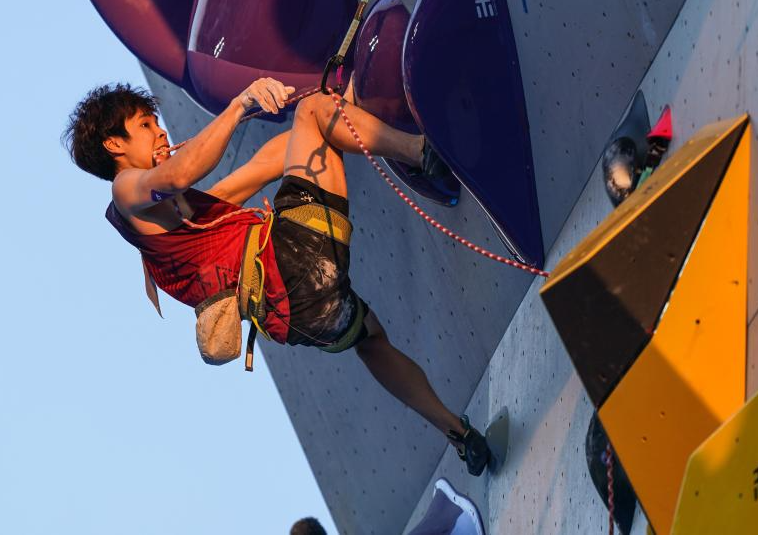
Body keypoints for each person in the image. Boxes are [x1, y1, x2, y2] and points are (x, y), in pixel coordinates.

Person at [63, 77, 490, 476]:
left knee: (371, 341)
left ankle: (458, 433)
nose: (160, 132)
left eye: (157, 122)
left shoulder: (178, 221)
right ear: (114, 144)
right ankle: (424, 152)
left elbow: (264, 164)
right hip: (292, 262)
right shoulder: (126, 190)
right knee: (313, 111)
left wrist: (343, 106)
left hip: (302, 317)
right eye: (145, 125)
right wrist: (243, 103)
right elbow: (179, 174)